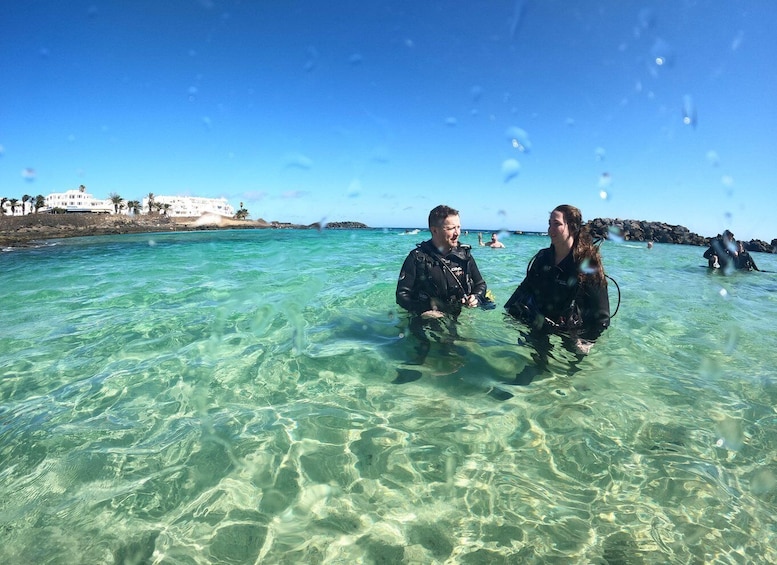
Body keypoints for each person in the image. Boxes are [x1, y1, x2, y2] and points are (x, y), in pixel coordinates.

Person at [504, 204, 610, 375]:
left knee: (569, 373)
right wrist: (509, 311)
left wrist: (588, 340)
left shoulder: (588, 264)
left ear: (573, 227)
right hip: (541, 322)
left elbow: (602, 314)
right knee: (534, 367)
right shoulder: (543, 258)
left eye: (557, 224)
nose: (550, 229)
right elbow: (525, 287)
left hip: (574, 331)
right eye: (549, 223)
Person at [394, 205, 489, 382]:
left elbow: (480, 284)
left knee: (455, 352)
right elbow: (401, 295)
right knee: (421, 351)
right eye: (451, 228)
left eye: (458, 227)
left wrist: (475, 297)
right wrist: (423, 310)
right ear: (435, 230)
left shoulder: (464, 256)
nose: (457, 233)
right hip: (425, 316)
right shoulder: (417, 258)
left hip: (455, 312)